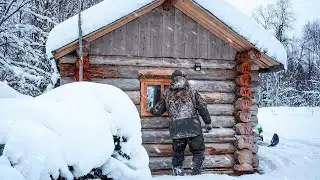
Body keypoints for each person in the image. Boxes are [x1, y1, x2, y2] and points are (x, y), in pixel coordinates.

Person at [150, 70, 212, 176]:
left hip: (177, 127)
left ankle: (178, 174)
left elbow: (157, 111)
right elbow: (202, 107)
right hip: (193, 126)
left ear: (172, 79)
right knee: (198, 151)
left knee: (178, 153)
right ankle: (196, 173)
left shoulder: (167, 93)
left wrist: (150, 108)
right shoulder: (192, 90)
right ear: (183, 77)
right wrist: (208, 122)